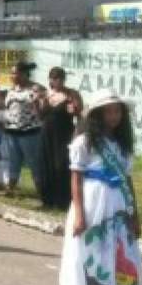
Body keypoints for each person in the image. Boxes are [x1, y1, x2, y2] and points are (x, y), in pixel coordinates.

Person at [48, 89, 142, 285]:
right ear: (97, 115)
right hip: (92, 202)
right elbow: (76, 178)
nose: (113, 116)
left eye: (117, 111)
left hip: (118, 205)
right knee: (90, 256)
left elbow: (128, 179)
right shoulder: (84, 142)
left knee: (117, 258)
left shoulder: (122, 146)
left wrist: (135, 214)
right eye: (108, 111)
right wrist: (80, 213)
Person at [39, 67, 83, 209]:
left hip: (63, 134)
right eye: (54, 78)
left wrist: (73, 107)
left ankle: (63, 200)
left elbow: (78, 112)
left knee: (61, 165)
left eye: (60, 78)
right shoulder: (46, 94)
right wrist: (39, 102)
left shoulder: (71, 93)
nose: (57, 81)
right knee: (47, 165)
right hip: (47, 133)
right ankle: (48, 199)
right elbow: (40, 115)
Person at [2, 61, 45, 195]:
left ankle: (41, 192)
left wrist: (38, 102)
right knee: (13, 162)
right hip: (12, 132)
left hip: (29, 133)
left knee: (34, 163)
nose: (13, 76)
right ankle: (10, 189)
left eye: (15, 73)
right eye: (12, 73)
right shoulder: (11, 90)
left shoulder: (35, 88)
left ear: (24, 74)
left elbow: (42, 109)